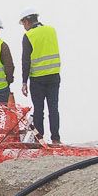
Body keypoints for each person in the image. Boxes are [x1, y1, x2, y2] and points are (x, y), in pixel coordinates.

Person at [18, 12, 62, 145]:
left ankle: (39, 139)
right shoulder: (51, 30)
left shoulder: (29, 36)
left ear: (27, 21)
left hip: (37, 79)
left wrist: (24, 81)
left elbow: (26, 61)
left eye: (23, 24)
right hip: (54, 76)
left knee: (38, 110)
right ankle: (56, 139)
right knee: (53, 108)